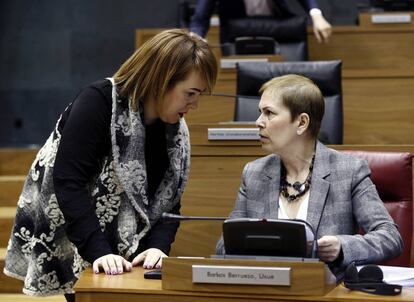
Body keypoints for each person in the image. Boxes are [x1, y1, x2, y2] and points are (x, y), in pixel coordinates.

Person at [4, 29, 218, 298]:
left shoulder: (175, 130)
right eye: (191, 93)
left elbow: (169, 199)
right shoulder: (98, 101)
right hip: (78, 229)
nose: (195, 104)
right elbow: (69, 182)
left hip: (129, 241)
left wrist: (159, 247)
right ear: (163, 80)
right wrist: (99, 251)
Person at [216, 74, 402, 278]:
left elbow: (390, 237)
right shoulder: (254, 173)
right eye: (260, 112)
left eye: (269, 113)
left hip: (324, 292)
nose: (258, 122)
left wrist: (341, 246)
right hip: (266, 289)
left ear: (302, 123)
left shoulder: (348, 171)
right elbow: (225, 244)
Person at [189, 0, 332, 44]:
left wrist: (316, 15)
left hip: (277, 31)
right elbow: (201, 16)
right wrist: (196, 35)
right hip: (237, 36)